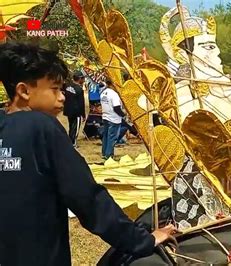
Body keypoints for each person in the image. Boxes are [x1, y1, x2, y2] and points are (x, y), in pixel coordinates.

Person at [0, 42, 176, 266]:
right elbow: (88, 199)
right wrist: (143, 240)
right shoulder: (42, 127)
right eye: (54, 89)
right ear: (24, 91)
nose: (62, 97)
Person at [100, 79, 126, 160]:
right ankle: (109, 155)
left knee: (106, 136)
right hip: (113, 118)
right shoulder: (114, 94)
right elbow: (116, 108)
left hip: (105, 116)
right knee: (112, 138)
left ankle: (104, 153)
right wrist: (123, 114)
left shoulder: (103, 93)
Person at [63, 70, 86, 147]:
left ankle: (70, 140)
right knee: (75, 128)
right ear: (80, 79)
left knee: (71, 126)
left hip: (68, 110)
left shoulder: (67, 86)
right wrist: (83, 114)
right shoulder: (79, 89)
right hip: (76, 112)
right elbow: (81, 103)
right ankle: (73, 142)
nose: (84, 80)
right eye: (83, 78)